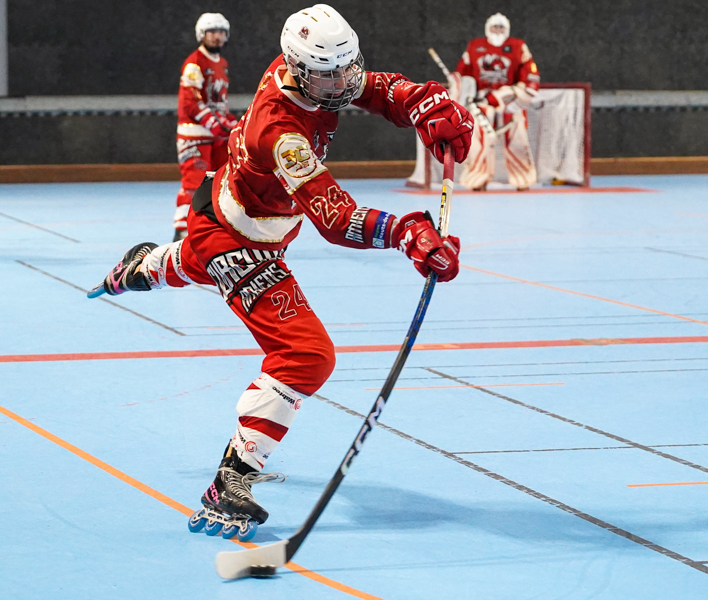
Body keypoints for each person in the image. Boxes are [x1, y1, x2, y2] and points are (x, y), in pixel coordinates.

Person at [87, 4, 473, 541]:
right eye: (329, 74)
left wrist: (424, 103)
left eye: (347, 66)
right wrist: (407, 232)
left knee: (197, 260)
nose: (342, 83)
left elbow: (372, 88)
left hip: (235, 215)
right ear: (298, 69)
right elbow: (336, 220)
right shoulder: (283, 131)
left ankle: (143, 266)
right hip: (237, 238)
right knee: (306, 354)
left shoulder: (317, 73)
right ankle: (231, 480)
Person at [452, 13, 540, 191]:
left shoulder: (518, 46)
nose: (497, 31)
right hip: (481, 104)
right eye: (494, 27)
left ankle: (523, 180)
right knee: (477, 143)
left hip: (509, 102)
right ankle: (477, 180)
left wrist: (512, 95)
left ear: (507, 29)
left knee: (517, 141)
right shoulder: (474, 46)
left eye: (501, 27)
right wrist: (458, 84)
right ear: (487, 28)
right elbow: (463, 73)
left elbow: (530, 75)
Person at [173, 13, 238, 242]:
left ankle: (212, 228)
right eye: (212, 32)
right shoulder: (195, 63)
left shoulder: (223, 64)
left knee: (222, 181)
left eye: (221, 32)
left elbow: (219, 102)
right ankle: (182, 231)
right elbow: (190, 100)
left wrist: (232, 122)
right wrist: (213, 122)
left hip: (216, 136)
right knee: (194, 181)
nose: (217, 37)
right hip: (195, 136)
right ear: (202, 35)